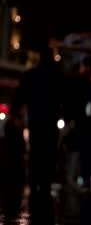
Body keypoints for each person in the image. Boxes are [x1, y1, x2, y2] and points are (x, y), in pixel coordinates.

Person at [10, 44, 64, 193]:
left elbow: (20, 95)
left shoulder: (32, 74)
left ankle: (35, 180)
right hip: (51, 118)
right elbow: (64, 97)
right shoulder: (57, 75)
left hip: (36, 117)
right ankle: (45, 180)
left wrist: (15, 113)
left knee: (36, 149)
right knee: (49, 150)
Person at [63, 56, 91, 190]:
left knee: (86, 150)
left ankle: (88, 178)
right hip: (89, 122)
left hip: (84, 122)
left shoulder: (81, 81)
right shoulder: (88, 82)